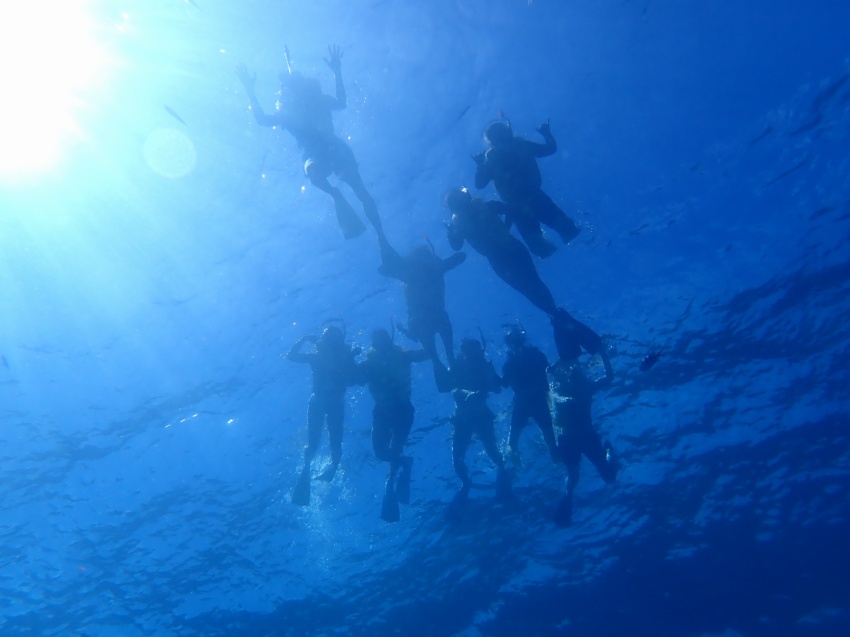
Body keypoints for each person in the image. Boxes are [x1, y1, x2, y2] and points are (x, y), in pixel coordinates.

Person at [236, 45, 383, 240]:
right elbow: (263, 120)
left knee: (359, 189)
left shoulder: (314, 102)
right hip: (318, 155)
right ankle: (335, 194)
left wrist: (337, 72)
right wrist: (249, 90)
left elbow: (341, 103)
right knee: (315, 174)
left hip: (334, 148)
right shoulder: (289, 112)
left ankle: (382, 238)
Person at [473, 120, 579, 257]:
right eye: (498, 139)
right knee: (548, 242)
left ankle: (578, 256)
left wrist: (547, 134)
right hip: (524, 204)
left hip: (528, 202)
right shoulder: (495, 158)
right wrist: (547, 134)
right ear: (493, 143)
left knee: (565, 232)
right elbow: (480, 185)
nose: (503, 143)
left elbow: (480, 184)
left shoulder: (517, 148)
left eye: (503, 137)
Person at [444, 187, 557, 316]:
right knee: (533, 282)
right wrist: (506, 228)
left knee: (526, 288)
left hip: (498, 258)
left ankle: (554, 314)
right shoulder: (484, 207)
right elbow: (511, 209)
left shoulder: (460, 224)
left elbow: (456, 246)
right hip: (511, 247)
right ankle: (554, 313)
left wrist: (451, 233)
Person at [432, 337, 511, 521]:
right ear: (464, 351)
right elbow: (451, 389)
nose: (470, 353)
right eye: (467, 350)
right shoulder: (457, 366)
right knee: (457, 456)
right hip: (462, 417)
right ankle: (466, 483)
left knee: (492, 451)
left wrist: (490, 375)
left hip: (481, 415)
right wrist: (469, 394)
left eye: (473, 350)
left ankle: (501, 471)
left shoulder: (485, 365)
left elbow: (498, 389)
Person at [357, 329, 430, 522]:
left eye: (383, 341)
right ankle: (405, 463)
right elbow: (352, 379)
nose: (381, 346)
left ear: (389, 341)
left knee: (396, 447)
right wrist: (349, 360)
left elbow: (426, 353)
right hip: (381, 412)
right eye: (377, 342)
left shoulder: (403, 355)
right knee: (380, 453)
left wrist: (419, 333)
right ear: (374, 345)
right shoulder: (368, 364)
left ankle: (391, 480)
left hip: (403, 410)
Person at [285, 325, 361, 505]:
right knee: (319, 440)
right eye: (325, 337)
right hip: (323, 401)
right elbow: (291, 356)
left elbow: (354, 379)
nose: (325, 340)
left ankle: (326, 467)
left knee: (331, 439)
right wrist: (303, 338)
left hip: (327, 402)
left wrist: (304, 338)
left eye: (329, 337)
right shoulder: (319, 357)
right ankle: (314, 467)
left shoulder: (336, 357)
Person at [549, 353, 617, 527]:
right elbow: (553, 389)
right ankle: (567, 499)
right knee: (573, 479)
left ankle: (609, 452)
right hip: (569, 438)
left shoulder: (586, 386)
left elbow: (609, 377)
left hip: (586, 436)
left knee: (608, 476)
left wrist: (603, 353)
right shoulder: (558, 388)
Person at [377, 233, 465, 365]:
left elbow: (460, 257)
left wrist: (441, 265)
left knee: (441, 352)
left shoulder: (426, 271)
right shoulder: (411, 274)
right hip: (424, 319)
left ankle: (447, 361)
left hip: (426, 318)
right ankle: (444, 362)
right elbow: (460, 256)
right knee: (435, 354)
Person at [501, 326, 558, 466]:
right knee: (514, 441)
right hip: (528, 403)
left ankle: (557, 461)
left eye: (517, 343)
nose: (516, 347)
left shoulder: (534, 357)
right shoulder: (533, 357)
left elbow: (503, 384)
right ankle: (515, 466)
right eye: (513, 343)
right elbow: (503, 384)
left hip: (531, 402)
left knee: (548, 439)